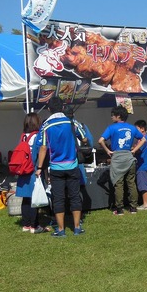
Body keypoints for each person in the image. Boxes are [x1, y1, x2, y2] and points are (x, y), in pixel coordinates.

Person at [36, 97, 88, 237]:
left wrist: (40, 167)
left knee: (58, 198)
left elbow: (43, 147)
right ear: (63, 107)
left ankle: (61, 229)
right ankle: (77, 228)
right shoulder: (71, 122)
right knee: (75, 196)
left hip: (56, 168)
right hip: (72, 165)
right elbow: (84, 138)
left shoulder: (46, 125)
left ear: (48, 109)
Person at [98, 106, 145, 215]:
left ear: (118, 116)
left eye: (113, 115)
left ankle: (120, 209)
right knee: (131, 183)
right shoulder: (132, 128)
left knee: (118, 184)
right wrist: (134, 150)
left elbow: (100, 140)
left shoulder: (111, 128)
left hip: (117, 157)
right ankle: (133, 207)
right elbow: (143, 139)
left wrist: (108, 151)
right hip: (129, 156)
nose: (111, 117)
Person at [16, 112, 49, 234]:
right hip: (32, 169)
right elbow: (39, 151)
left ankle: (26, 224)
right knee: (34, 198)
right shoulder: (37, 136)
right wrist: (40, 167)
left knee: (25, 198)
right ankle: (35, 225)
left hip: (22, 170)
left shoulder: (23, 136)